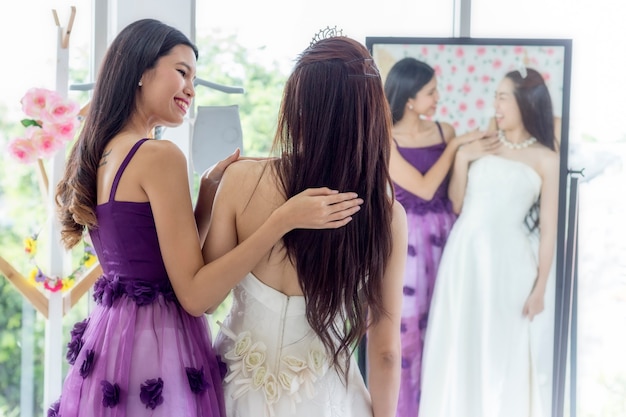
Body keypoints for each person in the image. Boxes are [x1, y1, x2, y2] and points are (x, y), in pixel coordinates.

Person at [50, 19, 362, 417]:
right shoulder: (159, 156)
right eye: (181, 72)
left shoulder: (103, 152)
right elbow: (196, 296)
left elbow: (153, 256)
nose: (191, 90)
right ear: (140, 71)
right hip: (159, 345)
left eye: (193, 77)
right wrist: (282, 220)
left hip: (113, 339)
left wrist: (210, 191)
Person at [205, 34, 408, 417]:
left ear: (297, 107)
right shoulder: (385, 215)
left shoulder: (242, 180)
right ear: (370, 114)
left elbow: (206, 299)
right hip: (327, 401)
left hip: (232, 392)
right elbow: (385, 352)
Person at [418, 67, 559, 417]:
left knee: (500, 350)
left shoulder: (547, 159)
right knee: (458, 343)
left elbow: (550, 229)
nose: (494, 104)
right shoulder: (479, 142)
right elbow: (456, 203)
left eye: (502, 96)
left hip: (509, 264)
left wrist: (540, 287)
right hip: (464, 255)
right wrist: (464, 157)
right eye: (495, 96)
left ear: (525, 102)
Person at [382, 57, 489, 417]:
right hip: (406, 239)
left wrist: (459, 150)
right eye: (431, 91)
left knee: (445, 321)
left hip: (447, 235)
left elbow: (455, 193)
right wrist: (456, 148)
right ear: (409, 98)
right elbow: (425, 189)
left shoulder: (445, 129)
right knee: (407, 330)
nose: (438, 97)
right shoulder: (385, 139)